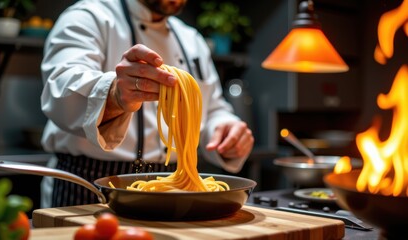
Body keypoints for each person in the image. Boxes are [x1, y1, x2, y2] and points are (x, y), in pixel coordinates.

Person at [40, 0, 254, 208]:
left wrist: (226, 130)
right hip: (90, 184)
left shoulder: (191, 39)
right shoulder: (89, 17)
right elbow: (60, 89)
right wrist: (114, 94)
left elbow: (213, 108)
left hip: (174, 188)